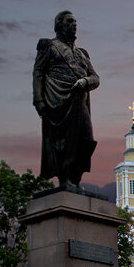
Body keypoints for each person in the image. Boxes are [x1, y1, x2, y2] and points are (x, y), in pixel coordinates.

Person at [33, 11, 99, 189]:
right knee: (62, 143)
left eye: (75, 22)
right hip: (57, 100)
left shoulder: (82, 54)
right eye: (70, 21)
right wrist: (38, 100)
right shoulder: (49, 46)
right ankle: (65, 180)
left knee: (86, 140)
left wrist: (85, 81)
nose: (74, 24)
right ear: (59, 25)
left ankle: (75, 177)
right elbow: (39, 72)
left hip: (79, 101)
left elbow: (95, 78)